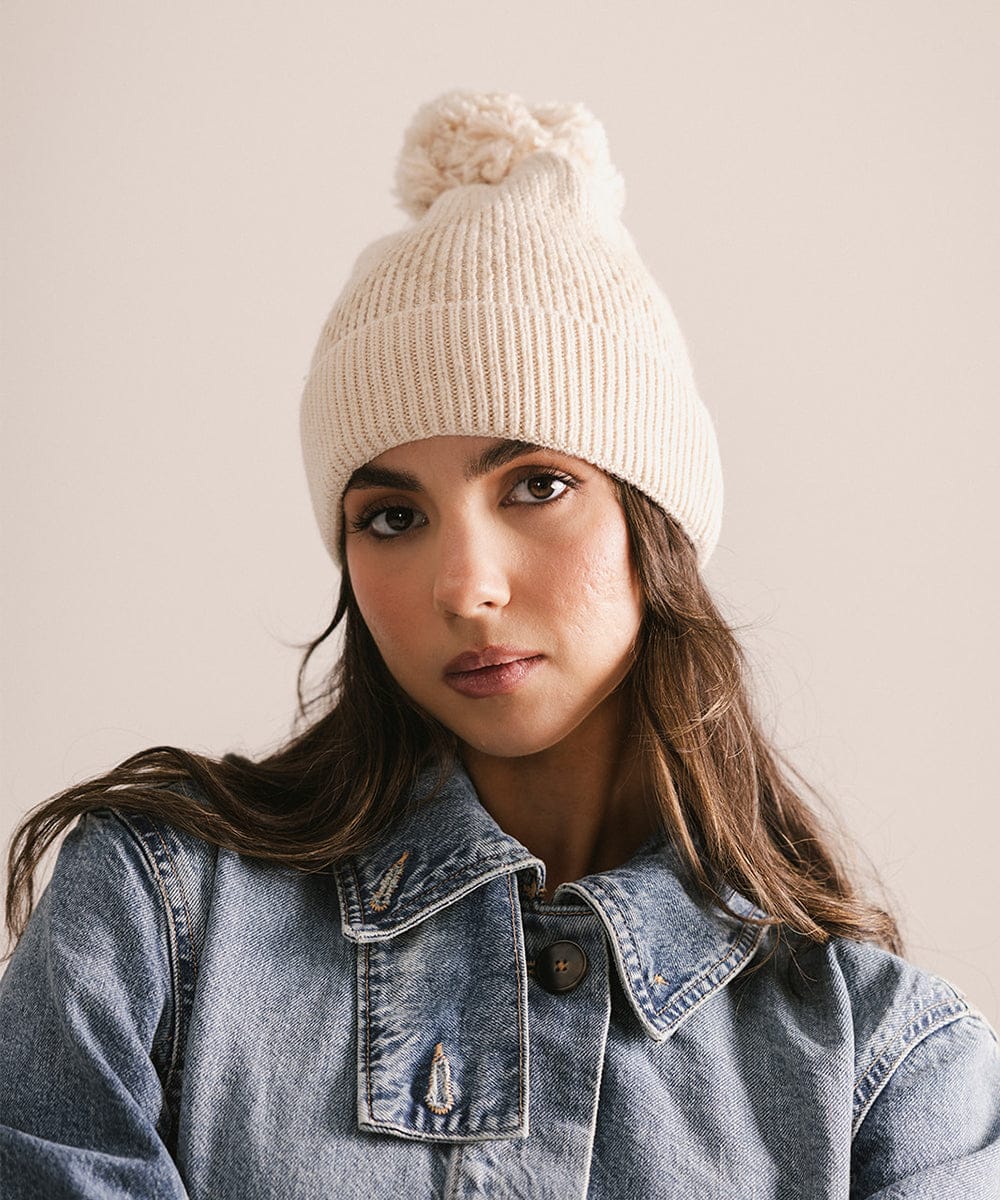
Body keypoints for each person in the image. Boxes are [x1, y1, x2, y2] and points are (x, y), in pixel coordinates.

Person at [1, 89, 998, 1200]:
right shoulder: (155, 922)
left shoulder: (889, 1069)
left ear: (651, 520)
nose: (466, 586)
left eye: (536, 485)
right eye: (391, 517)